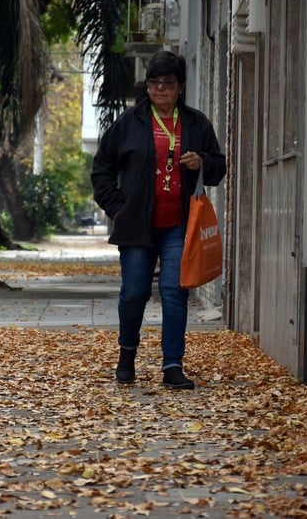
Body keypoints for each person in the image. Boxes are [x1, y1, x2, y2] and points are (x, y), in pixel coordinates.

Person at [91, 50, 227, 390]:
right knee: (134, 292)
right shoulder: (130, 122)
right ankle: (127, 353)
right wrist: (118, 209)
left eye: (167, 83)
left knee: (174, 291)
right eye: (154, 83)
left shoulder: (196, 123)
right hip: (136, 226)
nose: (160, 89)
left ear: (180, 86)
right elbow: (102, 169)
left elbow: (219, 167)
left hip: (178, 225)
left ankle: (172, 365)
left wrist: (203, 162)